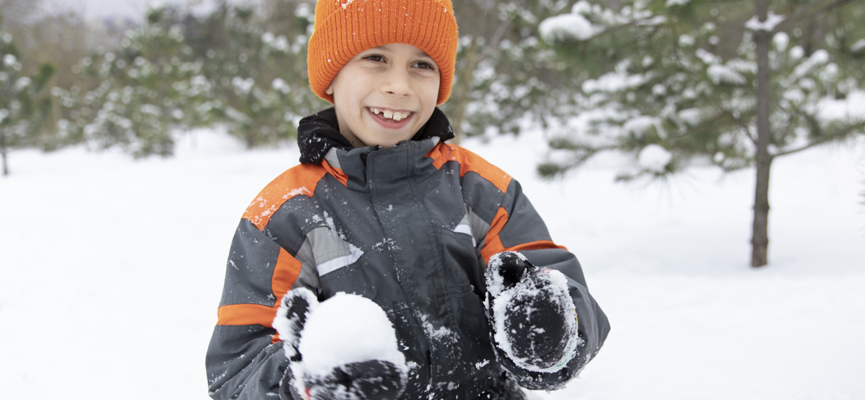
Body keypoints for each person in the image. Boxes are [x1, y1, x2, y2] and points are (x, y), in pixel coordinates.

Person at [205, 1, 609, 399]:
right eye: (376, 58)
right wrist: (303, 385)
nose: (399, 85)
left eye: (422, 64)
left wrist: (554, 327)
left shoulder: (479, 189)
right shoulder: (286, 215)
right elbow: (238, 369)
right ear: (331, 73)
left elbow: (559, 284)